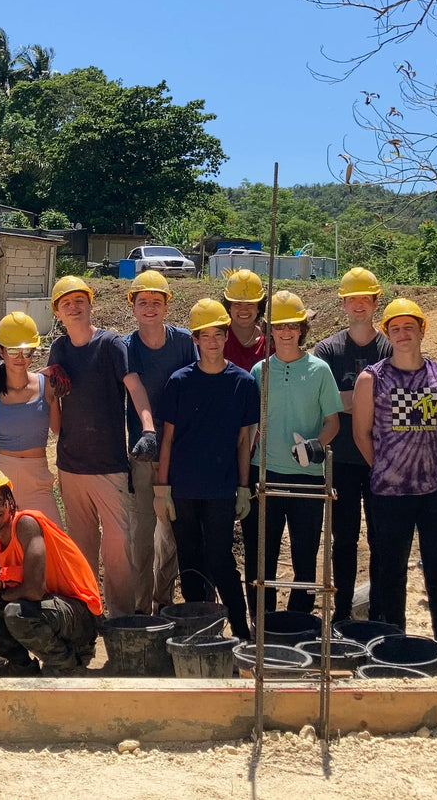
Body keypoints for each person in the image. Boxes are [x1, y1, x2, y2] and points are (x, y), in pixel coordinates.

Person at [45, 275, 156, 619]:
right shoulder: (59, 349)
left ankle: (121, 618)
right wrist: (50, 390)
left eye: (80, 301)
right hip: (71, 466)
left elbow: (134, 386)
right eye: (67, 303)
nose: (74, 307)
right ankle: (87, 615)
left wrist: (148, 428)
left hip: (109, 466)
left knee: (119, 548)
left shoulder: (111, 344)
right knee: (81, 549)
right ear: (58, 314)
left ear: (91, 305)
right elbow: (54, 416)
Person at [352, 298, 437, 642]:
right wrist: (388, 468)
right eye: (395, 329)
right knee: (390, 574)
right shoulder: (372, 379)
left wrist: (427, 470)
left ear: (421, 331)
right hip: (389, 495)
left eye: (408, 328)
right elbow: (361, 434)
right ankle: (394, 641)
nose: (402, 335)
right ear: (387, 334)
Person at [155, 298, 260, 639]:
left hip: (221, 487)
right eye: (205, 335)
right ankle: (199, 628)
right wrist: (162, 488)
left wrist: (244, 487)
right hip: (184, 486)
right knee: (189, 557)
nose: (212, 341)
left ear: (226, 336)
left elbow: (245, 441)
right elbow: (167, 440)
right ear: (195, 340)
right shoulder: (180, 382)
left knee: (220, 557)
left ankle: (241, 629)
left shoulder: (243, 383)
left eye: (219, 334)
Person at [243, 289, 341, 616]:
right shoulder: (259, 372)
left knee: (304, 554)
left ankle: (298, 621)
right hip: (266, 474)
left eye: (293, 326)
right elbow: (248, 428)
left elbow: (332, 421)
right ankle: (263, 623)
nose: (286, 333)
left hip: (308, 478)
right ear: (269, 330)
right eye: (279, 326)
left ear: (302, 328)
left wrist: (316, 445)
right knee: (262, 558)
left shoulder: (319, 371)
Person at [0, 466, 103, 675]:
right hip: (49, 612)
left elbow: (34, 590)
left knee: (14, 611)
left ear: (9, 501)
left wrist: (0, 592)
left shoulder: (26, 524)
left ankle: (66, 665)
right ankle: (22, 667)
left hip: (80, 616)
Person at [312, 267, 391, 621]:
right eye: (352, 299)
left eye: (365, 298)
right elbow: (323, 402)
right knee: (343, 540)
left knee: (382, 539)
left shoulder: (389, 346)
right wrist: (370, 395)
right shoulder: (328, 349)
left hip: (382, 458)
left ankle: (379, 613)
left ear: (376, 301)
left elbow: (397, 398)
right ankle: (341, 612)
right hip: (341, 459)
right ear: (343, 302)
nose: (359, 305)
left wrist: (348, 398)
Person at [122, 270, 198, 613]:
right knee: (141, 533)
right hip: (142, 450)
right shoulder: (128, 346)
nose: (149, 308)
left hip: (178, 451)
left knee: (170, 533)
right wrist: (148, 432)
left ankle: (163, 602)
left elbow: (194, 389)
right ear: (133, 308)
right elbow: (134, 390)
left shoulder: (184, 342)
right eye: (143, 302)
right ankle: (140, 609)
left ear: (167, 307)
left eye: (156, 301)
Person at [0, 311, 63, 521]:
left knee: (53, 540)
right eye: (13, 351)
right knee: (9, 547)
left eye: (27, 351)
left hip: (38, 476)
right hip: (1, 475)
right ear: (1, 351)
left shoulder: (47, 386)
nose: (20, 357)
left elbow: (58, 430)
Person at [221, 269, 270, 373]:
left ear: (258, 307)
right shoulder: (217, 341)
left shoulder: (270, 344)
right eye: (237, 304)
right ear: (229, 307)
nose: (244, 310)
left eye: (250, 304)